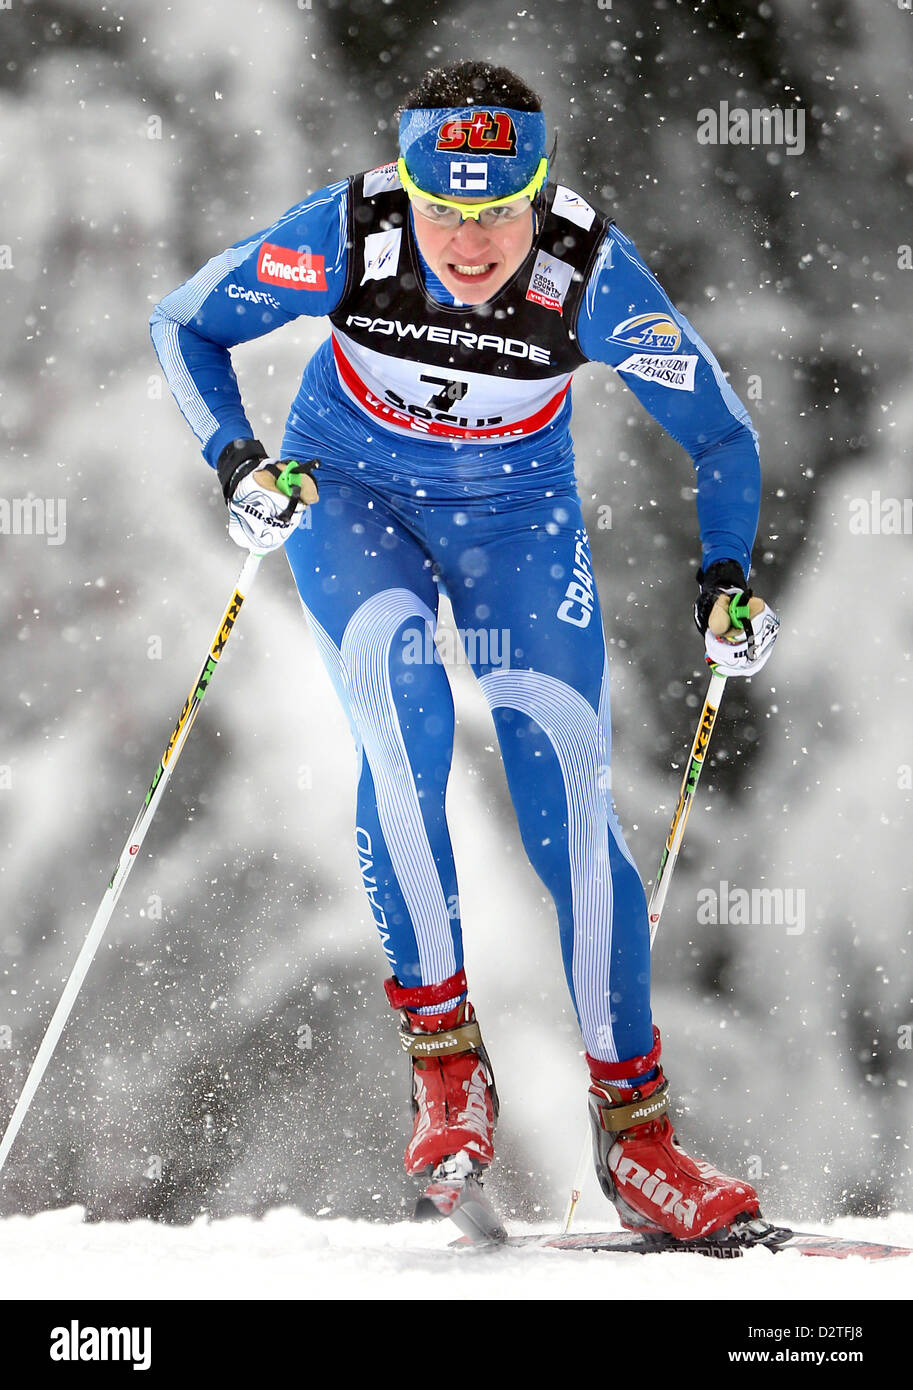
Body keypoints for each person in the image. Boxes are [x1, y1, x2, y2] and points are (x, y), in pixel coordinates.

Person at [150, 60, 779, 1243]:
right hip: (353, 499)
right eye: (445, 211)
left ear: (539, 198)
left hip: (514, 520)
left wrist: (725, 579)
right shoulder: (348, 235)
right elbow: (184, 324)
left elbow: (720, 433)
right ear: (409, 190)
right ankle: (448, 1066)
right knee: (402, 724)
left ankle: (637, 1139)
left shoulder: (590, 276)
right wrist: (238, 463)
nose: (469, 242)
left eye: (496, 214)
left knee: (570, 799)